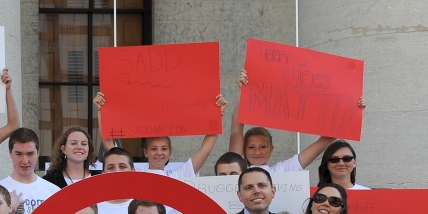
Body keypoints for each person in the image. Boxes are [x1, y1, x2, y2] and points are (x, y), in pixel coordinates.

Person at [228, 70, 362, 172]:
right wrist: (244, 91)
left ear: (271, 149)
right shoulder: (236, 170)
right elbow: (236, 132)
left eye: (263, 146)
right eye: (251, 147)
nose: (257, 152)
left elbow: (323, 141)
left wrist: (353, 108)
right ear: (244, 149)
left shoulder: (283, 171)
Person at [316, 141, 428, 214]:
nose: (341, 163)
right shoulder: (316, 197)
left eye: (347, 158)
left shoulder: (369, 195)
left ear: (354, 162)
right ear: (327, 164)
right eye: (334, 159)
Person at [94, 91, 227, 177]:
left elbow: (206, 149)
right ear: (145, 152)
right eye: (153, 149)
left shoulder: (179, 175)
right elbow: (109, 145)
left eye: (164, 148)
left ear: (170, 152)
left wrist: (217, 114)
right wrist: (101, 110)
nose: (159, 153)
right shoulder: (135, 174)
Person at [0, 128, 59, 214]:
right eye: (19, 154)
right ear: (10, 153)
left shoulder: (53, 191)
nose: (25, 161)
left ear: (38, 153)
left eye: (30, 154)